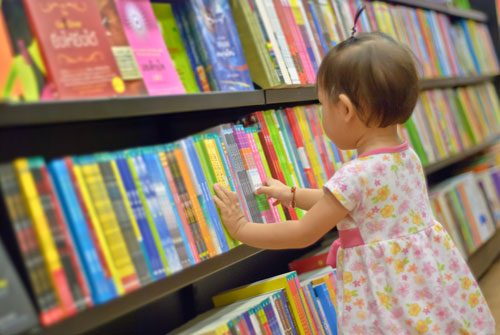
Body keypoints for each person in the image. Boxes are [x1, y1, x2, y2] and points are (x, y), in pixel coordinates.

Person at [213, 13, 495, 335]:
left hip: (386, 295)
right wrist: (290, 194)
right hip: (421, 287)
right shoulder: (405, 155)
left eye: (322, 105)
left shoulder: (357, 174)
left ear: (345, 109)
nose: (322, 114)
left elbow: (305, 232)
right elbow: (357, 206)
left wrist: (242, 228)